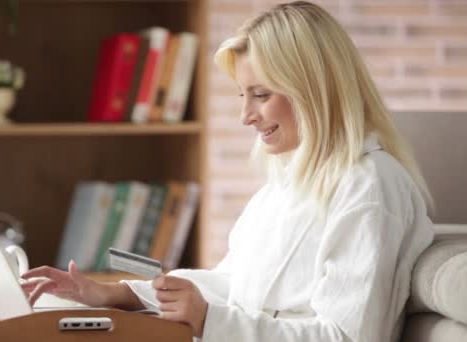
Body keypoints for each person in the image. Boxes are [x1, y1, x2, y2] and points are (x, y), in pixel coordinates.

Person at [21, 1, 435, 341]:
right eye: (243, 95)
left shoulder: (369, 188)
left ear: (314, 89)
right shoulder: (290, 182)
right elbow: (232, 284)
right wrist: (115, 292)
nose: (246, 116)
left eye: (260, 95)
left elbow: (346, 337)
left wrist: (209, 321)